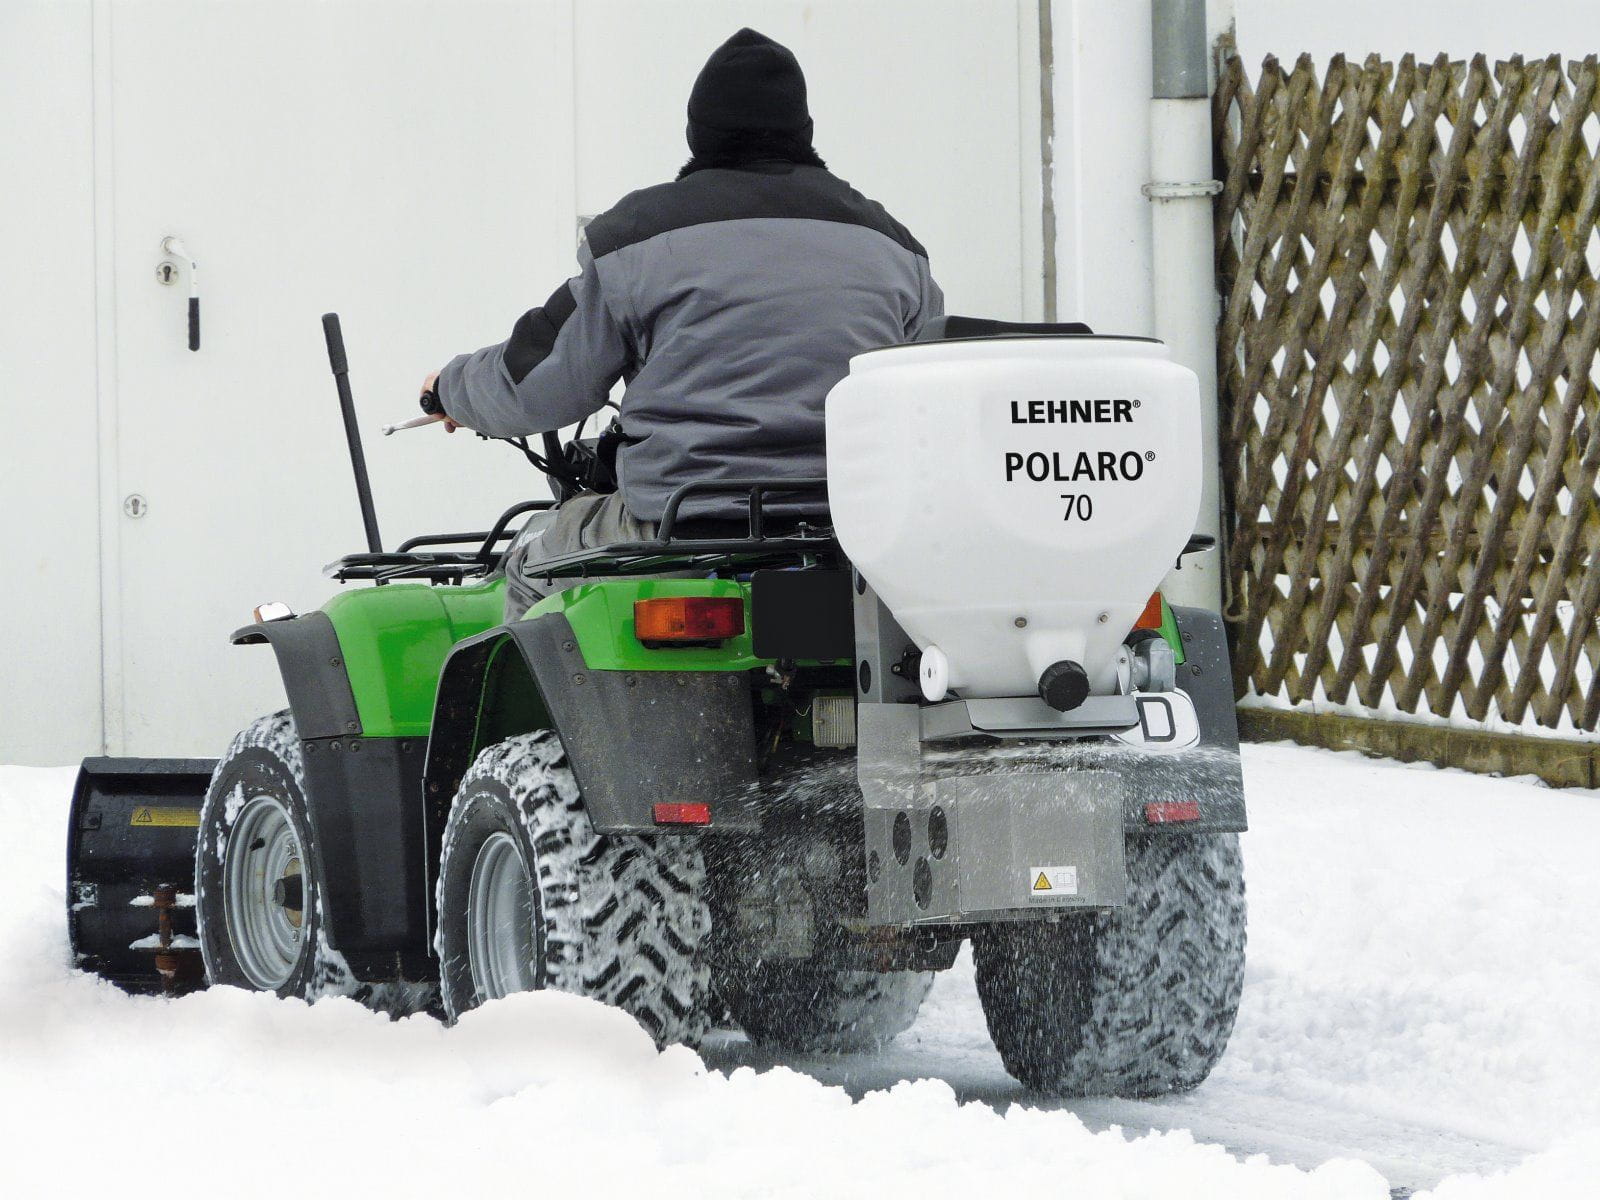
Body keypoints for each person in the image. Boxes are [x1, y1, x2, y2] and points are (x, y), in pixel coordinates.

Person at [421, 28, 943, 617]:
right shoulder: (895, 249)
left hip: (681, 524)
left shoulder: (637, 237)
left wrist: (452, 390)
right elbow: (929, 400)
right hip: (851, 533)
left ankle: (540, 714)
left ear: (697, 133)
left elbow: (537, 383)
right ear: (805, 132)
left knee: (530, 557)